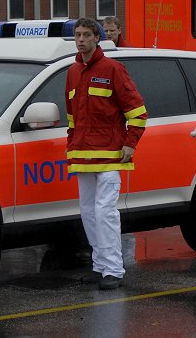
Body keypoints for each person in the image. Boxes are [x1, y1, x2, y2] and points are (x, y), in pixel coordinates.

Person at [65, 17, 147, 290]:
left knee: (105, 212)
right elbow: (72, 117)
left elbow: (137, 112)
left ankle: (113, 269)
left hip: (111, 155)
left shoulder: (113, 69)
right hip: (82, 154)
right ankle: (100, 266)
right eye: (78, 34)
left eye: (87, 34)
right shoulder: (72, 72)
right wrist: (70, 146)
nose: (81, 39)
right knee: (88, 212)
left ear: (98, 38)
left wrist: (130, 143)